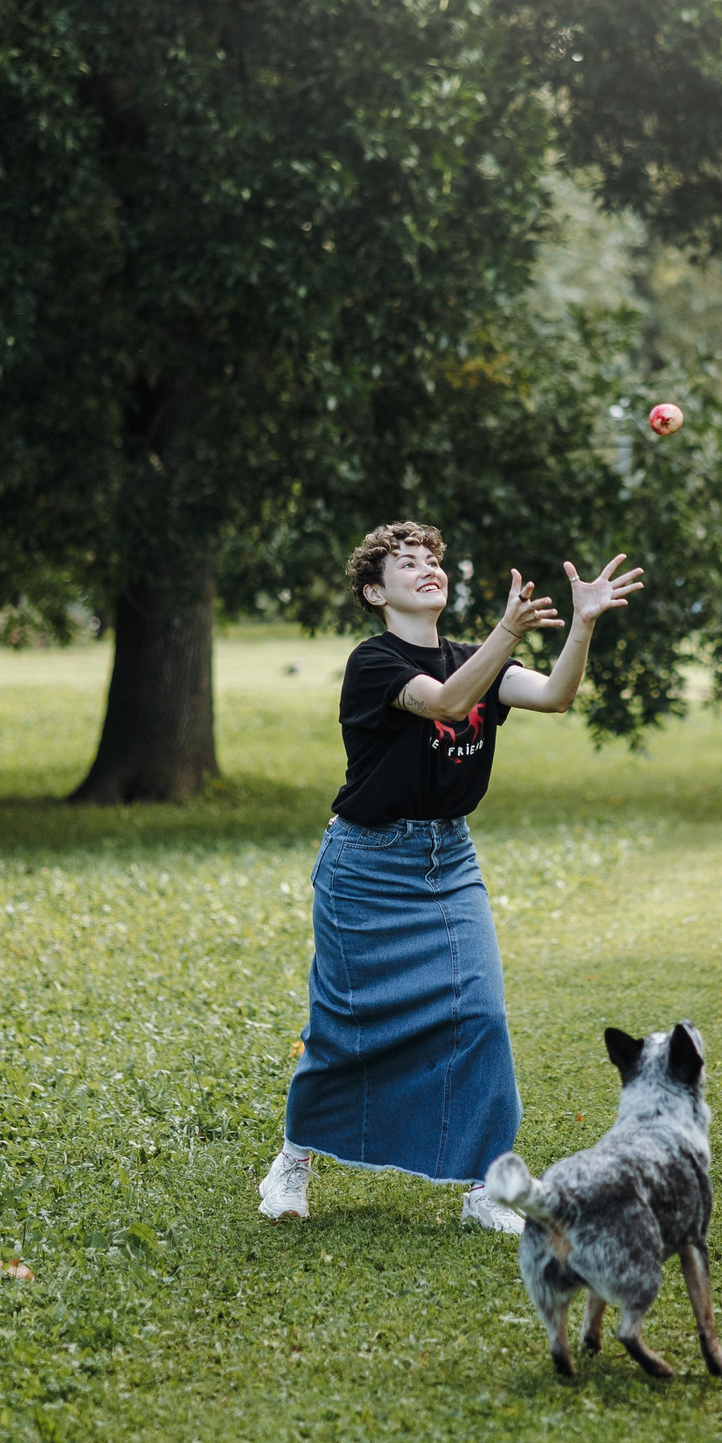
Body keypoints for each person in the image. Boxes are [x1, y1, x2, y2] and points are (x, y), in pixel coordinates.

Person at [257, 522, 643, 1233]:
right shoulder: (372, 663)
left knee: (481, 1017)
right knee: (347, 1028)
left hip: (448, 861)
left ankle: (485, 1186)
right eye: (407, 564)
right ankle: (294, 1158)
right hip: (366, 866)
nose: (427, 569)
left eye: (433, 559)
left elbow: (556, 695)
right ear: (376, 591)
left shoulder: (477, 656)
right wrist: (506, 632)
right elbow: (443, 702)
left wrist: (581, 624)